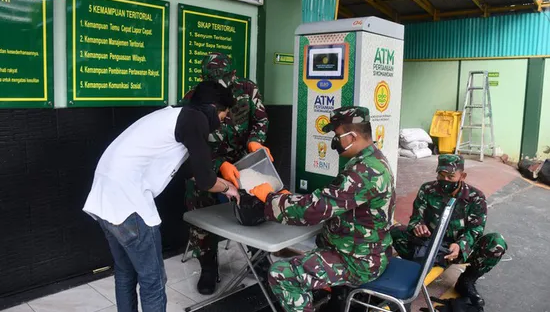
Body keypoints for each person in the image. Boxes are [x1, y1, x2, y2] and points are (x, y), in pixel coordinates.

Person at [82, 81, 240, 312]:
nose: (222, 122)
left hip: (104, 197)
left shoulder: (173, 116)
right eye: (224, 116)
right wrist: (229, 189)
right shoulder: (196, 120)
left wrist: (221, 178)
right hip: (128, 204)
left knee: (126, 273)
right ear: (213, 108)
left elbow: (189, 171)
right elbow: (206, 181)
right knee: (153, 280)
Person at [248, 106, 396, 312]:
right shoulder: (373, 159)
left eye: (336, 136)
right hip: (363, 250)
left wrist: (270, 198)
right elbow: (331, 197)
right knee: (313, 247)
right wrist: (288, 199)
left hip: (357, 262)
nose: (335, 142)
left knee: (281, 273)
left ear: (351, 136)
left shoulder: (365, 171)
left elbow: (314, 210)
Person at [183, 52, 271, 294]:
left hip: (243, 158)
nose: (219, 84)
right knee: (198, 200)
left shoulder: (247, 88)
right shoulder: (194, 98)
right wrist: (218, 164)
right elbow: (192, 144)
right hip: (209, 161)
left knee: (254, 200)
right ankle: (208, 266)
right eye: (213, 80)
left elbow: (261, 120)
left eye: (223, 79)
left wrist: (256, 141)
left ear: (232, 75)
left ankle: (259, 257)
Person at [391, 154, 508, 307]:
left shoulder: (475, 197)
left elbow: (475, 230)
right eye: (441, 174)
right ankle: (412, 271)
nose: (445, 180)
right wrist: (418, 226)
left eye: (451, 176)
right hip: (429, 244)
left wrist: (461, 245)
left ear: (462, 175)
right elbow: (415, 218)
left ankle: (466, 281)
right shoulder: (427, 189)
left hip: (457, 249)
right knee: (395, 232)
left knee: (496, 244)